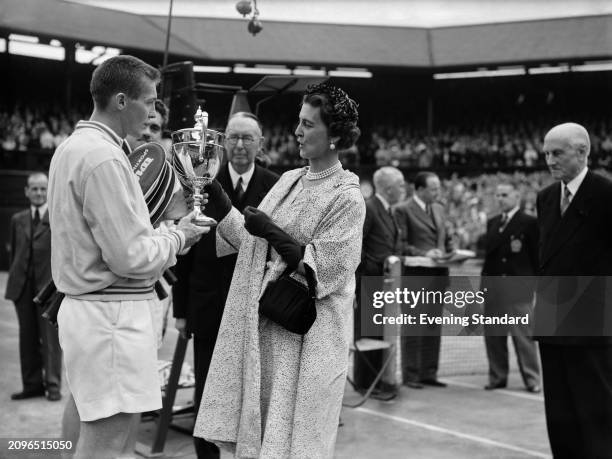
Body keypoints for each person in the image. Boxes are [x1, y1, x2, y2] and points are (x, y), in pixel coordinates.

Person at [47, 55, 208, 459]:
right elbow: (130, 256)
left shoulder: (76, 147)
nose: (154, 112)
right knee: (106, 441)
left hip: (100, 312)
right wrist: (179, 235)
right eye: (150, 102)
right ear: (121, 101)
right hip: (109, 316)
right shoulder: (103, 157)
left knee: (104, 435)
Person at [192, 83, 365, 458]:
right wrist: (221, 203)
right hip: (268, 336)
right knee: (263, 440)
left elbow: (327, 269)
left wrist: (272, 231)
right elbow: (252, 249)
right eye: (298, 123)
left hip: (309, 341)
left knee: (299, 443)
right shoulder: (288, 180)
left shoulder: (347, 197)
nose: (298, 132)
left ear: (334, 135)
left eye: (308, 125)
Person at [172, 111, 279, 459]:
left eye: (248, 138)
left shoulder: (276, 186)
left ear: (260, 144)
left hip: (257, 310)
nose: (239, 145)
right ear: (221, 142)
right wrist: (181, 310)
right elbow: (185, 249)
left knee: (256, 396)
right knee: (207, 394)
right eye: (233, 137)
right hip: (208, 307)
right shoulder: (198, 180)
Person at [536, 122, 612, 458]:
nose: (550, 160)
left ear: (583, 152)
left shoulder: (606, 195)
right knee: (560, 410)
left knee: (594, 408)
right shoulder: (546, 197)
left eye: (558, 153)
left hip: (591, 321)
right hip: (552, 318)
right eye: (547, 153)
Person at [5, 172, 62, 402]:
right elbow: (14, 255)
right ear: (27, 191)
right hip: (23, 287)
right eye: (34, 189)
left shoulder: (57, 217)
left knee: (50, 340)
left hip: (48, 287)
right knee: (27, 338)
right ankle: (32, 385)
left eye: (42, 188)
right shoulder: (17, 219)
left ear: (47, 190)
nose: (38, 193)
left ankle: (53, 385)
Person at [395, 171, 453, 388]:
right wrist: (424, 253)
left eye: (438, 188)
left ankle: (429, 372)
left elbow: (445, 238)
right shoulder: (402, 210)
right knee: (413, 327)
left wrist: (451, 251)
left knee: (432, 326)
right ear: (418, 189)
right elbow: (400, 244)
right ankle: (411, 375)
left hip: (438, 276)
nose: (437, 192)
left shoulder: (439, 208)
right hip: (414, 277)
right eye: (433, 188)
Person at [481, 182, 540, 392]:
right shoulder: (493, 222)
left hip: (517, 289)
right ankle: (497, 377)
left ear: (516, 196)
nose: (500, 198)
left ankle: (532, 379)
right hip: (493, 289)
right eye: (497, 195)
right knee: (494, 337)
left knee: (523, 338)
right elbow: (489, 258)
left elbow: (537, 257)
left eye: (504, 194)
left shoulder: (529, 222)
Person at [354, 166, 404, 388]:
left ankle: (379, 379)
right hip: (371, 282)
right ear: (389, 188)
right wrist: (367, 273)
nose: (403, 189)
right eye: (400, 185)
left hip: (386, 284)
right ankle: (367, 382)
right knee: (369, 334)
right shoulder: (370, 207)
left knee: (381, 333)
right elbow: (358, 245)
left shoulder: (388, 210)